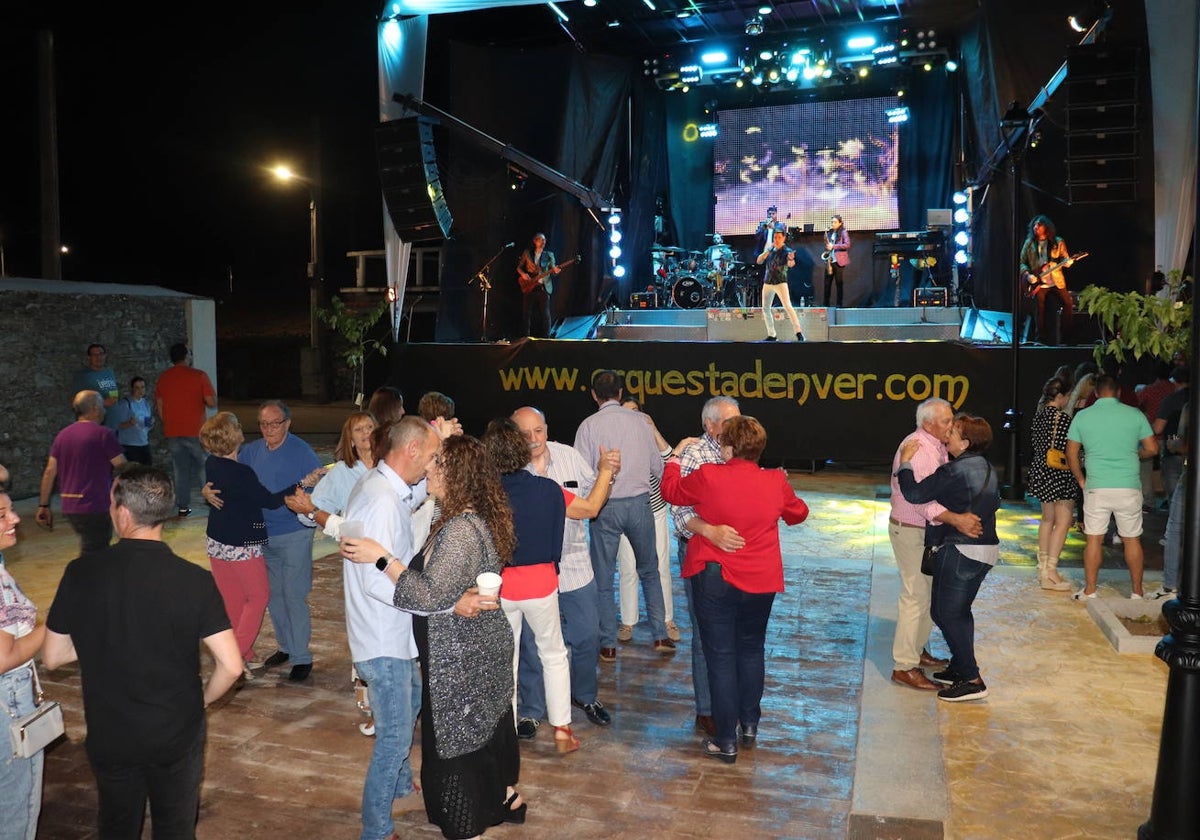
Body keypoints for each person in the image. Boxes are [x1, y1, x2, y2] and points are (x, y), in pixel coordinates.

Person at [42, 465, 242, 839]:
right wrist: (201, 702)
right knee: (175, 827)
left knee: (117, 824)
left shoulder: (81, 572)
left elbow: (53, 656)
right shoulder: (194, 580)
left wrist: (101, 634)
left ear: (122, 513)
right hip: (175, 730)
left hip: (111, 730)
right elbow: (231, 666)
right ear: (164, 513)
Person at [345, 434, 526, 838]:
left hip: (461, 657)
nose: (427, 468)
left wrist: (381, 556)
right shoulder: (461, 517)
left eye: (436, 463)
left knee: (457, 747)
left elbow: (427, 593)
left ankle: (468, 827)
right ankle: (498, 802)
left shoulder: (461, 530)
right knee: (477, 736)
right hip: (473, 649)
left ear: (455, 475)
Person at [660, 416, 809, 763]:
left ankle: (725, 740)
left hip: (715, 578)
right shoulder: (774, 480)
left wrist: (673, 460)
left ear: (727, 448)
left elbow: (671, 491)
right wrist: (783, 488)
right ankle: (750, 725)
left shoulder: (709, 476)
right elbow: (799, 514)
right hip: (761, 580)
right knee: (752, 650)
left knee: (721, 658)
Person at [337, 416, 439, 840]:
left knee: (410, 702)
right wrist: (427, 597)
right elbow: (376, 581)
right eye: (432, 457)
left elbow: (411, 495)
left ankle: (398, 784)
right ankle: (376, 829)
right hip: (384, 638)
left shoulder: (383, 484)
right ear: (412, 450)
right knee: (394, 738)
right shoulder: (380, 499)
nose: (434, 468)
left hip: (389, 633)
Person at [510, 406, 617, 735]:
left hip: (574, 565)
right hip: (531, 570)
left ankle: (584, 695)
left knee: (588, 635)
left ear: (547, 428)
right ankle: (531, 710)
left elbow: (596, 497)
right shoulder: (510, 470)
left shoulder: (569, 456)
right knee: (530, 644)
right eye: (524, 433)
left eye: (538, 431)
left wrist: (606, 476)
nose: (533, 439)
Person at [483, 420, 581, 753]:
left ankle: (505, 731)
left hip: (500, 585)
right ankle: (562, 730)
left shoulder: (486, 495)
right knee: (554, 655)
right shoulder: (550, 489)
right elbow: (557, 540)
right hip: (541, 582)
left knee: (504, 660)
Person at [896, 414, 1000, 703]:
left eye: (953, 431)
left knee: (946, 613)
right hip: (986, 550)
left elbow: (914, 493)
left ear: (965, 442)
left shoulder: (955, 469)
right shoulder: (987, 467)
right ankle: (958, 668)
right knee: (956, 612)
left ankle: (972, 679)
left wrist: (905, 464)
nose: (947, 435)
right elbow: (996, 502)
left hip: (962, 550)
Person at [220, 400, 323, 681]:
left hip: (294, 534)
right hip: (261, 535)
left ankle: (302, 657)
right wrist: (208, 488)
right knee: (273, 595)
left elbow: (318, 487)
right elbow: (226, 470)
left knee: (294, 594)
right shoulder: (252, 451)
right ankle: (287, 648)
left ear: (287, 424)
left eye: (274, 423)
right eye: (263, 424)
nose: (268, 429)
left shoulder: (302, 452)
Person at [574, 370, 672, 659]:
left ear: (594, 395)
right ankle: (660, 636)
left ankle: (608, 644)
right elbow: (657, 467)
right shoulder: (641, 423)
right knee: (649, 570)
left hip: (604, 506)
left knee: (604, 578)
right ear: (620, 393)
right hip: (641, 504)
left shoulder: (588, 426)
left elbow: (582, 476)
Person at [200, 412, 304, 680]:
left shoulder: (212, 463)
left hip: (217, 542)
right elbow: (269, 501)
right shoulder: (241, 472)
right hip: (242, 544)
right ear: (232, 436)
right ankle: (234, 655)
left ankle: (241, 656)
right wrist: (302, 484)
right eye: (236, 425)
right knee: (258, 597)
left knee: (232, 600)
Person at [887, 397, 982, 691]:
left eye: (951, 420)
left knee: (926, 594)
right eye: (946, 421)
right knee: (915, 595)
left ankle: (916, 651)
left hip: (925, 533)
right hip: (911, 529)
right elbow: (920, 503)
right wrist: (956, 519)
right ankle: (904, 666)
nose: (951, 425)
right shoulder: (918, 450)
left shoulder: (936, 446)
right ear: (928, 424)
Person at [670, 396, 745, 738]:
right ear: (709, 425)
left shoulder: (740, 448)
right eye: (730, 421)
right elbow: (681, 512)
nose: (737, 426)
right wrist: (711, 531)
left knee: (737, 632)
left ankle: (731, 703)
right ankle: (707, 710)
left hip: (738, 555)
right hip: (702, 554)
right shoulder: (694, 455)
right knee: (705, 635)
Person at [1067, 375, 1158, 599]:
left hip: (1096, 486)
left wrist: (1080, 479)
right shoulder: (1135, 415)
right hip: (1128, 486)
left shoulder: (1083, 416)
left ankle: (1090, 591)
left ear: (1096, 393)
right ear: (1118, 393)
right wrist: (1136, 454)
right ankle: (1137, 591)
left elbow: (1070, 453)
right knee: (1131, 539)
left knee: (1094, 539)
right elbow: (1153, 449)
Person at [0, 490, 47, 840]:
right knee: (17, 809)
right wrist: (58, 625)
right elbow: (5, 657)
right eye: (2, 514)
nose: (15, 519)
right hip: (8, 706)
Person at [616, 398, 678, 644]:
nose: (630, 417)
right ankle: (627, 621)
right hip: (625, 508)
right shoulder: (614, 438)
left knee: (660, 565)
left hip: (654, 509)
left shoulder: (649, 434)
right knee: (628, 567)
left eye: (635, 412)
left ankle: (666, 619)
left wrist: (652, 429)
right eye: (625, 412)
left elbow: (671, 458)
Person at [36, 391, 127, 553]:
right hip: (96, 504)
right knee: (96, 551)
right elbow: (122, 466)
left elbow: (50, 471)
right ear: (94, 409)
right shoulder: (103, 434)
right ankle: (84, 577)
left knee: (91, 547)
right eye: (102, 406)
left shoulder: (62, 436)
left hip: (70, 507)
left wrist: (44, 505)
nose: (104, 410)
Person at [285, 411, 377, 540]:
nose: (366, 432)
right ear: (351, 440)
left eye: (370, 427)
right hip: (360, 545)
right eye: (358, 429)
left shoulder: (391, 464)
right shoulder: (342, 471)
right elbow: (315, 509)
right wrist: (305, 507)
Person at [155, 343, 217, 517]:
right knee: (205, 466)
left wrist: (169, 422)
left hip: (173, 431)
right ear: (186, 356)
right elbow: (211, 402)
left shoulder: (164, 378)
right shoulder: (199, 375)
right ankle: (212, 502)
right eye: (190, 353)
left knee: (180, 470)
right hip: (195, 430)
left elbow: (160, 405)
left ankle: (183, 507)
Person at [1026, 377, 1075, 591]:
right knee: (1063, 521)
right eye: (1068, 396)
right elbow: (1070, 449)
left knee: (1047, 519)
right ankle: (1052, 571)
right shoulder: (1063, 419)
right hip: (1059, 471)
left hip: (1041, 469)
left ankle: (1043, 568)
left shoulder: (1038, 416)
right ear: (1060, 396)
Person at [1019, 214, 1076, 344]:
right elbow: (1021, 262)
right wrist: (1028, 275)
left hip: (1056, 280)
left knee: (1068, 304)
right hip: (1038, 283)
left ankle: (1067, 338)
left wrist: (1068, 262)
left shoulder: (1058, 242)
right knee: (1039, 311)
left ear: (1047, 227)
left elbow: (1065, 258)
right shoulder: (1029, 244)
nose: (1036, 227)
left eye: (1039, 225)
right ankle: (1040, 340)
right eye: (1034, 225)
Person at [756, 229, 804, 342]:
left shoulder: (787, 251)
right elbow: (758, 261)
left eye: (779, 237)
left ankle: (799, 332)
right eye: (775, 238)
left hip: (780, 282)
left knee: (788, 306)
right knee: (765, 308)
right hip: (768, 282)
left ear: (783, 238)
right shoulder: (770, 250)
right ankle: (772, 334)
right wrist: (767, 251)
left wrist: (791, 259)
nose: (776, 240)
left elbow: (791, 264)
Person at [517, 233, 560, 339]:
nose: (543, 242)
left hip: (543, 287)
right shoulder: (527, 253)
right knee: (526, 313)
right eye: (541, 240)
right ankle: (525, 337)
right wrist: (523, 274)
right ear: (535, 241)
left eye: (544, 240)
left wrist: (555, 271)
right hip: (529, 286)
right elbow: (519, 267)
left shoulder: (549, 254)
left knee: (545, 313)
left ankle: (546, 337)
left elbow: (553, 270)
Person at [71, 343, 120, 429]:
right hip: (95, 425)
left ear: (105, 355)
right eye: (95, 355)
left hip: (113, 424)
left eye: (101, 354)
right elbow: (77, 403)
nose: (98, 357)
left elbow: (113, 392)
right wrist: (102, 403)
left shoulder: (109, 372)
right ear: (89, 357)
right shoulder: (82, 376)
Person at [111, 376, 154, 465]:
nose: (140, 390)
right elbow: (117, 425)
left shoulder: (145, 403)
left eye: (142, 387)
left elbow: (146, 426)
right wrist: (130, 423)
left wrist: (151, 423)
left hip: (144, 443)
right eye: (137, 388)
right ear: (132, 389)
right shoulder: (125, 404)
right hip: (130, 445)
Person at [822, 214, 851, 307]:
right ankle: (826, 305)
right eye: (832, 222)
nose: (833, 224)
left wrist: (834, 246)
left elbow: (847, 245)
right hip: (830, 260)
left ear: (840, 223)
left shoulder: (843, 232)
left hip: (838, 261)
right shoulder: (830, 233)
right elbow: (829, 244)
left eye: (835, 222)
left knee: (839, 284)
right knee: (827, 284)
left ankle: (839, 305)